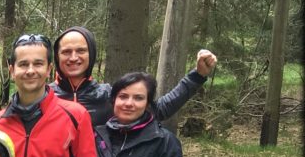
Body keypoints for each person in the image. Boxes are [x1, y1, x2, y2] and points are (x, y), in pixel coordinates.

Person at [52, 26, 217, 128]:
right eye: (66, 52)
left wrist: (197, 76)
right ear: (57, 57)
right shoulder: (45, 97)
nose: (73, 57)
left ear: (92, 54)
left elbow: (159, 110)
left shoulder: (107, 95)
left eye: (81, 51)